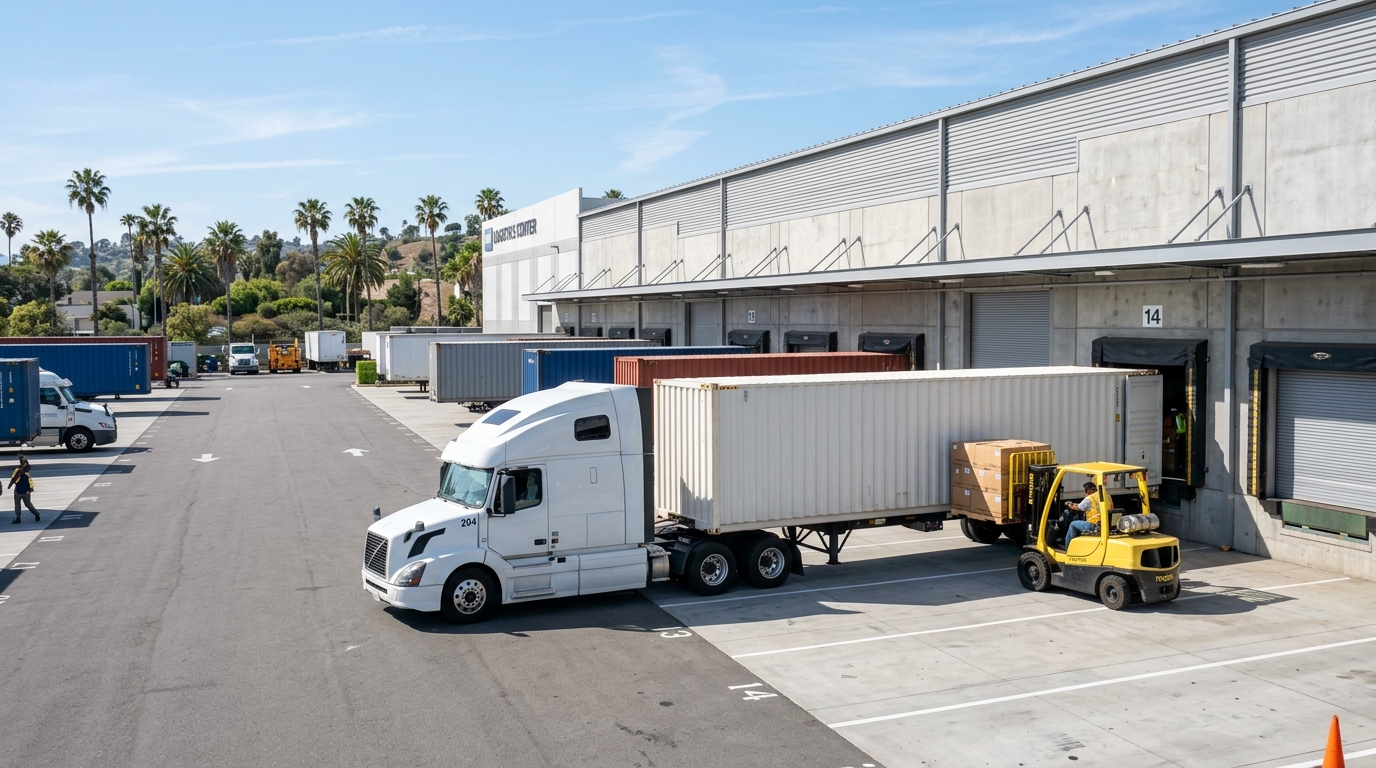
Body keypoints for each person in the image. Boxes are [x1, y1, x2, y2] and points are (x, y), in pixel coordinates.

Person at [1064, 481, 1098, 545]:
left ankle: (1067, 547)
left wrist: (1070, 505)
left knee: (1073, 524)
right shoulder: (1106, 496)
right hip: (1105, 524)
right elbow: (1084, 506)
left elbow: (1078, 508)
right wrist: (1075, 504)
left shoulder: (1090, 498)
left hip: (1094, 525)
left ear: (1087, 491)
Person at [10, 456, 38, 524]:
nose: (23, 464)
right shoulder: (17, 470)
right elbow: (13, 478)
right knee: (17, 505)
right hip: (18, 491)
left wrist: (30, 490)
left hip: (26, 492)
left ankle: (36, 514)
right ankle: (18, 518)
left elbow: (30, 482)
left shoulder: (27, 473)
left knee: (28, 505)